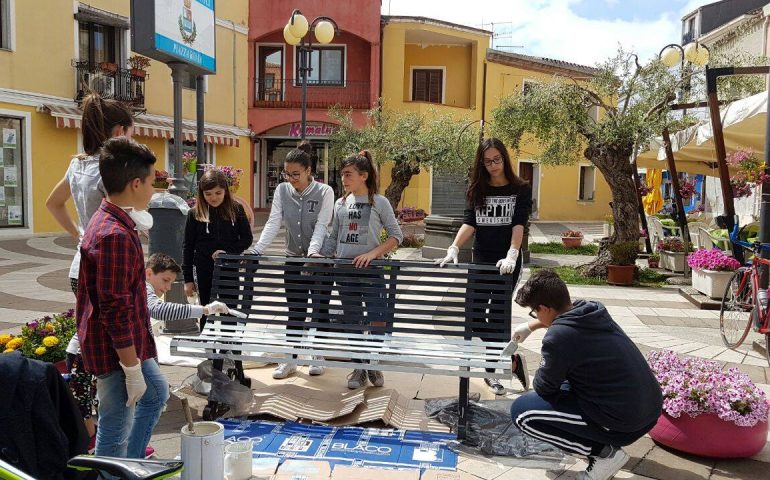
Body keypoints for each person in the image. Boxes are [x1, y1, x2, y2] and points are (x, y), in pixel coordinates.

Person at [510, 270, 662, 480]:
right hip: (648, 411)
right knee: (565, 381)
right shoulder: (591, 309)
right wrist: (531, 326)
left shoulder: (558, 338)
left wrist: (543, 368)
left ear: (544, 308)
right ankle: (597, 446)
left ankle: (605, 455)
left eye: (534, 313)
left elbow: (544, 388)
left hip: (624, 423)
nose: (535, 317)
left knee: (523, 412)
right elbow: (560, 319)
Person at [45, 93, 134, 438]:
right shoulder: (111, 168)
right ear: (117, 130)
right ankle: (92, 419)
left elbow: (53, 203)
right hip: (105, 266)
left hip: (78, 264)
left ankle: (86, 411)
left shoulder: (77, 164)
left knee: (86, 337)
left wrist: (81, 234)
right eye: (129, 130)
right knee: (103, 344)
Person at [77, 136, 168, 463]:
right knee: (115, 424)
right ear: (134, 183)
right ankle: (115, 469)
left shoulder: (115, 220)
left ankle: (131, 462)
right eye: (151, 183)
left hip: (129, 340)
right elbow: (114, 311)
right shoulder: (113, 234)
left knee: (156, 392)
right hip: (116, 348)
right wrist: (130, 369)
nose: (153, 191)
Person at [435, 137, 531, 395]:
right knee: (474, 316)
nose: (493, 165)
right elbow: (470, 222)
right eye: (487, 162)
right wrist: (454, 247)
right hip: (482, 258)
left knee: (498, 317)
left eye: (497, 160)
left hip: (507, 261)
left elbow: (519, 224)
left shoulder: (520, 188)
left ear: (504, 158)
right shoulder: (477, 188)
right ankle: (510, 359)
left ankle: (492, 374)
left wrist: (512, 253)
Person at [245, 146, 334, 379]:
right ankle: (290, 359)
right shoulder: (283, 190)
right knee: (295, 311)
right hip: (293, 258)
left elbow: (322, 226)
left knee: (319, 311)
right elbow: (274, 222)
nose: (291, 179)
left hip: (319, 261)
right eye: (287, 173)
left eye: (296, 174)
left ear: (308, 171)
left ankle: (318, 355)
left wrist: (314, 254)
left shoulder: (325, 192)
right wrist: (257, 249)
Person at [319, 150, 403, 389]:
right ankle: (359, 367)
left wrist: (372, 254)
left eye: (348, 174)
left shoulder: (379, 202)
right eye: (342, 174)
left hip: (372, 273)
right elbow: (333, 237)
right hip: (344, 273)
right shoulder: (340, 202)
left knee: (376, 320)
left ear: (363, 175)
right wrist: (316, 256)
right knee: (353, 322)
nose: (343, 179)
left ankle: (372, 363)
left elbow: (397, 236)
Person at [183, 169, 253, 331]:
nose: (213, 198)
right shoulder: (194, 214)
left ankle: (231, 349)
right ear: (201, 194)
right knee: (207, 310)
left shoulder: (236, 209)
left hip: (230, 268)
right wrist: (188, 280)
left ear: (225, 191)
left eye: (218, 193)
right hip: (204, 269)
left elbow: (246, 239)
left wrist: (227, 252)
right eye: (208, 194)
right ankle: (212, 353)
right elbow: (187, 246)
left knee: (230, 309)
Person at [145, 252, 230, 323]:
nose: (168, 288)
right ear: (149, 274)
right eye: (165, 280)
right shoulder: (143, 289)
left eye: (171, 283)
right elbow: (157, 310)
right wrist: (206, 309)